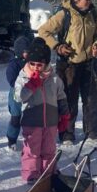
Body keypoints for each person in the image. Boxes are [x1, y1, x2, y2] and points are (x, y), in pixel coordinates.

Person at [38, 0, 97, 143]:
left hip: (89, 63)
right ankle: (67, 134)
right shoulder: (64, 13)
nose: (89, 1)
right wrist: (57, 46)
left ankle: (92, 133)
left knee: (90, 101)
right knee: (69, 101)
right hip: (68, 65)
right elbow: (43, 31)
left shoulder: (94, 14)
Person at [14, 38, 69, 183]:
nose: (36, 67)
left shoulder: (54, 79)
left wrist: (64, 115)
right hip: (32, 121)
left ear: (46, 64)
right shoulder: (23, 77)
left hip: (51, 121)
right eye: (32, 64)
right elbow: (19, 97)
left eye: (40, 64)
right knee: (32, 150)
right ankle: (31, 175)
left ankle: (48, 172)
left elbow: (61, 96)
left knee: (49, 150)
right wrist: (31, 85)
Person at [6, 36, 31, 150]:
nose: (28, 54)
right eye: (26, 52)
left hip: (29, 93)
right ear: (20, 51)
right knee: (16, 117)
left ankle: (30, 138)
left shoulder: (31, 63)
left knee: (29, 116)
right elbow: (11, 80)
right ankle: (12, 139)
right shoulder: (13, 64)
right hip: (16, 94)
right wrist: (21, 83)